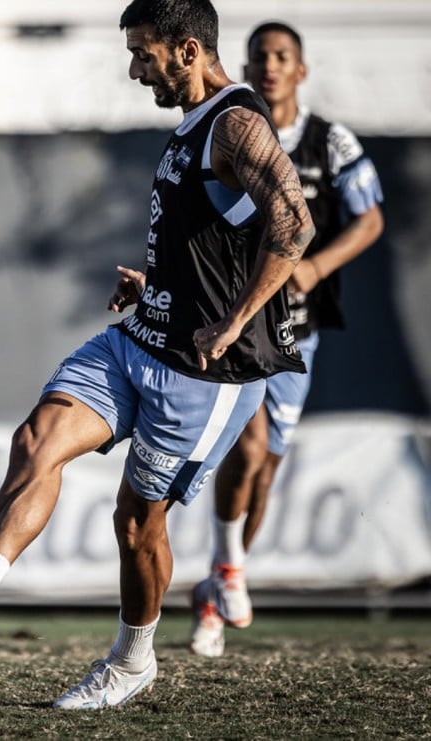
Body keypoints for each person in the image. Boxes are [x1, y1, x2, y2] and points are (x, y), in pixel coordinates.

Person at [0, 0, 314, 710]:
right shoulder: (195, 124)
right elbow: (217, 235)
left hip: (207, 371)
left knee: (137, 521)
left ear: (189, 51)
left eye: (144, 54)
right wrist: (155, 280)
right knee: (37, 437)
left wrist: (232, 321)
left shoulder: (236, 122)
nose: (135, 70)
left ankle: (133, 661)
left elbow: (294, 221)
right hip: (142, 336)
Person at [188, 21, 384, 658]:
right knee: (249, 448)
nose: (269, 67)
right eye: (258, 57)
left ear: (301, 68)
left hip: (301, 329)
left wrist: (317, 266)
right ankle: (228, 570)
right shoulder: (232, 125)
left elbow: (370, 217)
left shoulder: (331, 142)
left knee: (267, 468)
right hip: (241, 321)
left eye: (281, 57)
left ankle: (219, 583)